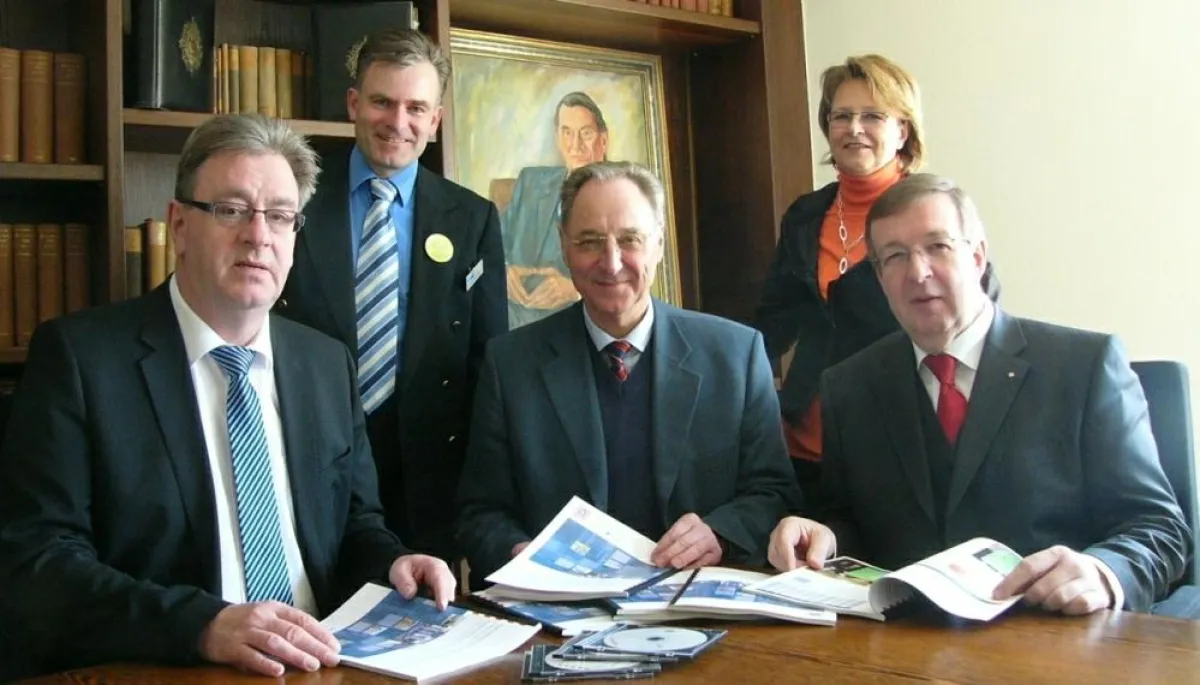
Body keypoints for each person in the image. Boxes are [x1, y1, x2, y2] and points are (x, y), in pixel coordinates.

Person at [0, 114, 457, 680]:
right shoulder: (81, 360)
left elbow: (354, 525)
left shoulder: (325, 364)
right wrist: (202, 625)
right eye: (232, 209)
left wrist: (393, 563)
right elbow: (37, 561)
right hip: (171, 669)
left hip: (319, 664)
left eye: (280, 216)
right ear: (179, 225)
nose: (258, 235)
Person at [768, 174, 1188, 615]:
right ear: (879, 276)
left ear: (977, 256)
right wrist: (825, 537)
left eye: (937, 246)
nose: (918, 272)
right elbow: (850, 520)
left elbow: (1159, 528)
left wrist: (1103, 572)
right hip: (907, 639)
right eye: (895, 256)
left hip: (1055, 633)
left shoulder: (1084, 366)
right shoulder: (848, 386)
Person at [457, 161, 820, 582]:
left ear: (659, 244)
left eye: (630, 240)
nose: (611, 263)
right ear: (564, 246)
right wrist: (524, 555)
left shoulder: (736, 356)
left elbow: (774, 494)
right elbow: (480, 514)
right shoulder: (511, 364)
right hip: (560, 604)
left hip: (697, 599)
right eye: (590, 242)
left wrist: (720, 533)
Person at [279, 28, 507, 565]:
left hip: (428, 487)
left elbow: (488, 360)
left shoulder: (472, 218)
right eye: (382, 101)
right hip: (307, 465)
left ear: (436, 119)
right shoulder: (293, 200)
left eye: (416, 108)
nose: (397, 122)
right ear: (353, 104)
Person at [753, 55, 999, 506]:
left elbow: (978, 320)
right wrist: (749, 391)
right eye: (841, 116)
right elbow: (772, 320)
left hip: (898, 443)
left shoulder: (935, 211)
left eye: (872, 116)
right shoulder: (806, 215)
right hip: (805, 446)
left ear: (903, 131)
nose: (854, 128)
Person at [503, 91, 608, 328]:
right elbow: (490, 241)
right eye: (567, 132)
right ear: (557, 136)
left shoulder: (621, 199)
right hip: (511, 316)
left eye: (586, 133)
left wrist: (575, 290)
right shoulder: (531, 183)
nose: (575, 145)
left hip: (577, 321)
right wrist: (504, 271)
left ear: (603, 140)